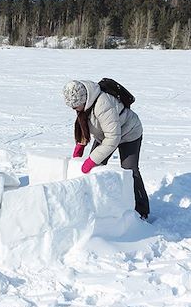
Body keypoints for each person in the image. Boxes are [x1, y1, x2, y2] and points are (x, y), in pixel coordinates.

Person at [63, 80, 150, 219]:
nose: (74, 109)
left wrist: (92, 159)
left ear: (84, 100)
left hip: (129, 133)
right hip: (105, 135)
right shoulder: (83, 104)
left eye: (76, 106)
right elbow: (83, 123)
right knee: (94, 169)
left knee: (129, 170)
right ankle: (100, 204)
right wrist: (81, 143)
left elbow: (113, 138)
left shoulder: (103, 105)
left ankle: (141, 210)